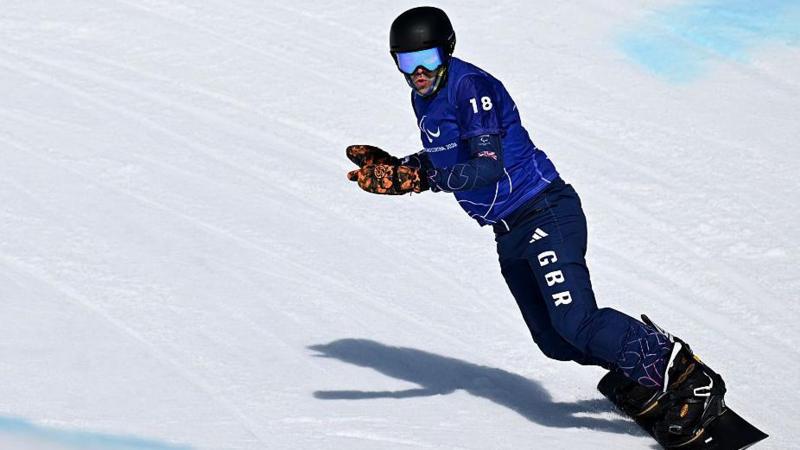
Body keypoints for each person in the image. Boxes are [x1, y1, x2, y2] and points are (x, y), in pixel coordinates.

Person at [345, 7, 724, 447]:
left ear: (446, 49)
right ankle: (637, 371)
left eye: (426, 58)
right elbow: (451, 161)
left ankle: (686, 374)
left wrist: (420, 179)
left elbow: (487, 167)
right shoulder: (424, 99)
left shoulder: (472, 89)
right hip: (508, 230)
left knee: (577, 321)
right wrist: (402, 168)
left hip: (544, 210)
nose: (420, 73)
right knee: (554, 340)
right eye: (407, 63)